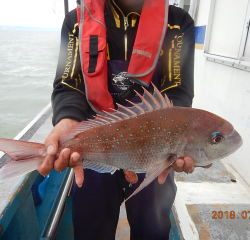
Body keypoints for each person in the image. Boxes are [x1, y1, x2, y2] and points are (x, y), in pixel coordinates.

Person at [38, 0, 196, 239]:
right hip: (95, 148)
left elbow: (177, 90)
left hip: (154, 151)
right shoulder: (76, 22)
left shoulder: (177, 22)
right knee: (91, 229)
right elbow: (69, 85)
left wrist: (184, 139)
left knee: (152, 230)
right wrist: (67, 120)